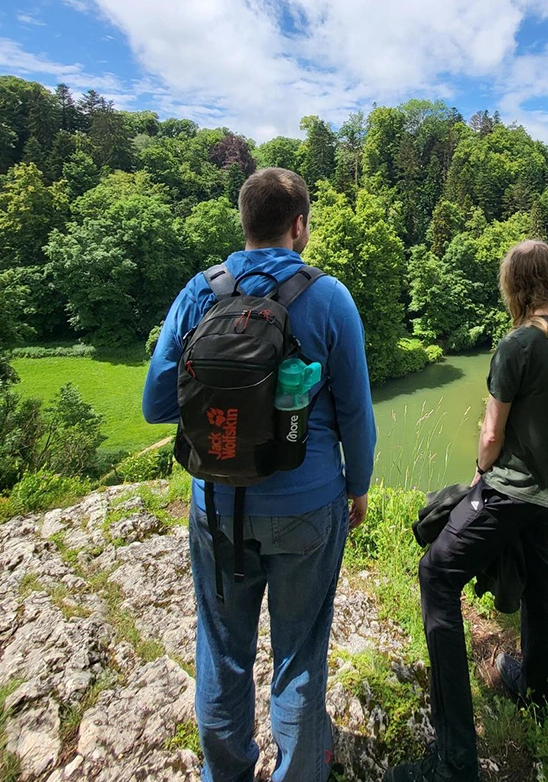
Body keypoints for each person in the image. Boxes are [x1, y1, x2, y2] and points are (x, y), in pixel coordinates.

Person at [143, 167, 376, 782]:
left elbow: (156, 406)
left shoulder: (200, 292)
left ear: (244, 222)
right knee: (299, 655)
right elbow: (355, 410)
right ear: (298, 225)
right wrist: (358, 489)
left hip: (217, 505)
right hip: (308, 506)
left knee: (223, 652)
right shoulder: (329, 297)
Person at [386, 239, 548, 782]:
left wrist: (480, 474)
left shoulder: (519, 343)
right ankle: (536, 687)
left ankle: (455, 761)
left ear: (515, 286)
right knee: (538, 574)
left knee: (436, 575)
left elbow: (490, 434)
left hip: (510, 489)